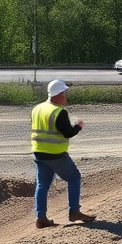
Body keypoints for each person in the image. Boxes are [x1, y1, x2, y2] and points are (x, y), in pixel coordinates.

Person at [32, 78, 96, 228]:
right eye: (64, 93)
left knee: (42, 185)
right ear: (58, 94)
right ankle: (74, 211)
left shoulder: (37, 108)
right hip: (56, 154)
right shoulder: (59, 112)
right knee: (74, 177)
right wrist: (78, 127)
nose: (66, 96)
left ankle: (41, 217)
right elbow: (67, 133)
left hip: (39, 153)